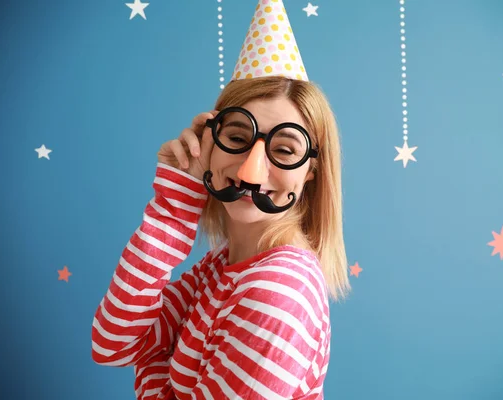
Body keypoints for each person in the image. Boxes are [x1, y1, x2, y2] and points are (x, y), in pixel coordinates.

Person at [91, 1, 350, 398]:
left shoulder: (279, 289)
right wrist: (175, 204)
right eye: (237, 138)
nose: (250, 172)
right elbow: (115, 345)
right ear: (209, 142)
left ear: (311, 171)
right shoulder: (220, 267)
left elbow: (142, 360)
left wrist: (153, 370)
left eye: (283, 150)